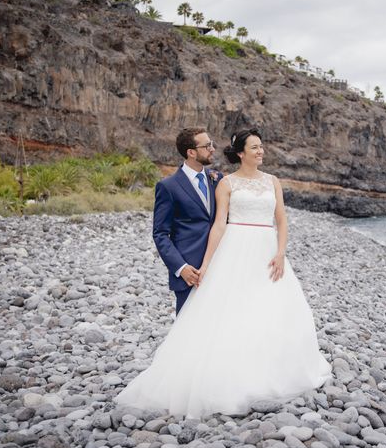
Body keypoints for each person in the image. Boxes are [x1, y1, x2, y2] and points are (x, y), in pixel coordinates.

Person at [115, 128, 332, 418]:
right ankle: (201, 376)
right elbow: (216, 225)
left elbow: (281, 218)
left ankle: (267, 369)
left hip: (266, 251)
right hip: (233, 249)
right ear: (240, 153)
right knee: (218, 315)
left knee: (270, 309)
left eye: (262, 146)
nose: (260, 151)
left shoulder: (262, 181)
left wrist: (280, 253)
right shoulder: (220, 182)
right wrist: (203, 265)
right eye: (254, 147)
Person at [152, 127, 222, 315]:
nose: (213, 149)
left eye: (212, 144)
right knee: (187, 330)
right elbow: (160, 234)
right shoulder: (168, 187)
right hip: (190, 272)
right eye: (207, 146)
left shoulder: (217, 179)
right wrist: (181, 268)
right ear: (191, 152)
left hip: (219, 264)